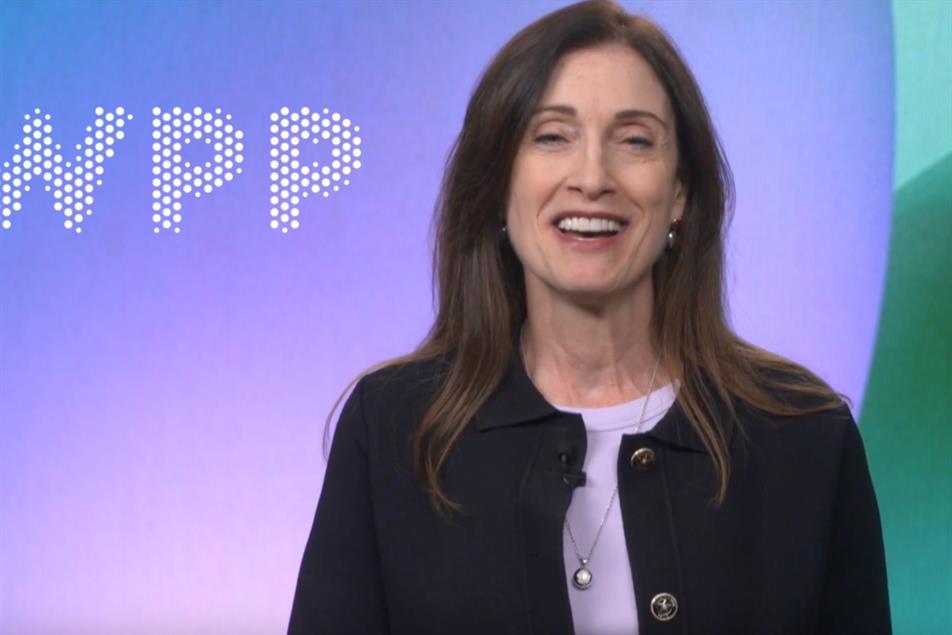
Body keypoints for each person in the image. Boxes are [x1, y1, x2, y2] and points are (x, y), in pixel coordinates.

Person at [287, 1, 891, 633]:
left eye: (634, 140)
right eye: (552, 136)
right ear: (498, 185)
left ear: (680, 193)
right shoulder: (395, 432)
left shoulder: (804, 436)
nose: (593, 177)